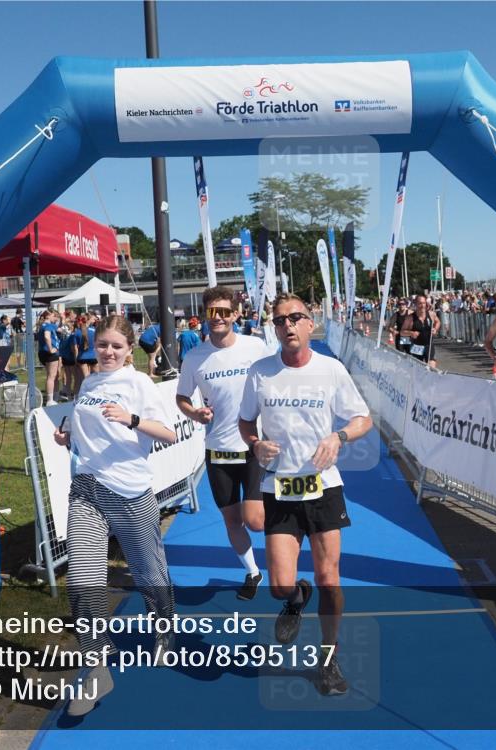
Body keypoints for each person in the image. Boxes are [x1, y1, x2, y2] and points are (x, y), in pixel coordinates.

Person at [239, 293, 373, 697]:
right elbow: (246, 423)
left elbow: (363, 418)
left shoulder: (331, 370)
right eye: (280, 321)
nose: (288, 326)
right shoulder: (260, 372)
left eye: (296, 318)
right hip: (278, 489)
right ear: (273, 328)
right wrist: (255, 445)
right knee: (279, 585)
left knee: (329, 577)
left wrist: (339, 436)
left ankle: (329, 660)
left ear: (310, 323)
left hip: (323, 488)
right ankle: (296, 598)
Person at [53, 315, 177, 717]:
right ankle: (97, 667)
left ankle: (163, 626)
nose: (107, 352)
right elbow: (85, 426)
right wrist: (67, 435)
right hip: (86, 490)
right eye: (102, 344)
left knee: (148, 574)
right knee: (83, 581)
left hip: (130, 493)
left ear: (128, 350)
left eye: (115, 347)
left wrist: (132, 420)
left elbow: (169, 433)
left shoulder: (138, 383)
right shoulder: (88, 382)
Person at [176, 287, 270, 599]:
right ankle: (253, 572)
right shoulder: (194, 358)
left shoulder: (256, 347)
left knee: (255, 521)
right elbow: (181, 398)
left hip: (253, 447)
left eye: (223, 312)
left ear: (235, 314)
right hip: (218, 450)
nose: (217, 318)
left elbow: (275, 382)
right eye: (211, 312)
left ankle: (285, 546)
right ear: (204, 315)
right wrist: (195, 413)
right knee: (232, 520)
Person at [400, 294, 441, 367]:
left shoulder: (431, 314)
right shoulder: (410, 318)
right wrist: (411, 333)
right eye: (420, 303)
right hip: (416, 346)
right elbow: (402, 332)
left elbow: (438, 322)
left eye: (424, 303)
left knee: (431, 366)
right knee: (418, 368)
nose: (422, 306)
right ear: (415, 304)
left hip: (429, 344)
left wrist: (435, 329)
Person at [38, 310, 61, 405]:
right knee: (51, 376)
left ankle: (53, 398)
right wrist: (51, 348)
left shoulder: (43, 325)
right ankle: (50, 400)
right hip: (50, 353)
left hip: (43, 352)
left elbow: (60, 329)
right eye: (54, 316)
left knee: (51, 376)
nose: (55, 318)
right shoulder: (48, 326)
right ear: (48, 316)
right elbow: (47, 336)